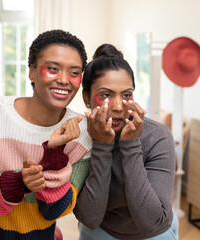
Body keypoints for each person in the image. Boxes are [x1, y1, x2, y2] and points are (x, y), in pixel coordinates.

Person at [0, 29, 92, 240]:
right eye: (53, 69)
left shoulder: (81, 133)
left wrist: (54, 155)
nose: (64, 80)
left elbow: (56, 211)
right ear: (32, 71)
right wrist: (19, 184)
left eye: (74, 72)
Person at [73, 43, 179, 240]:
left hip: (153, 234)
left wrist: (130, 145)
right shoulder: (77, 137)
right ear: (87, 97)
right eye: (106, 95)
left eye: (127, 95)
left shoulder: (158, 136)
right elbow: (90, 217)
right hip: (99, 232)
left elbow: (151, 221)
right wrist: (102, 146)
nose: (119, 106)